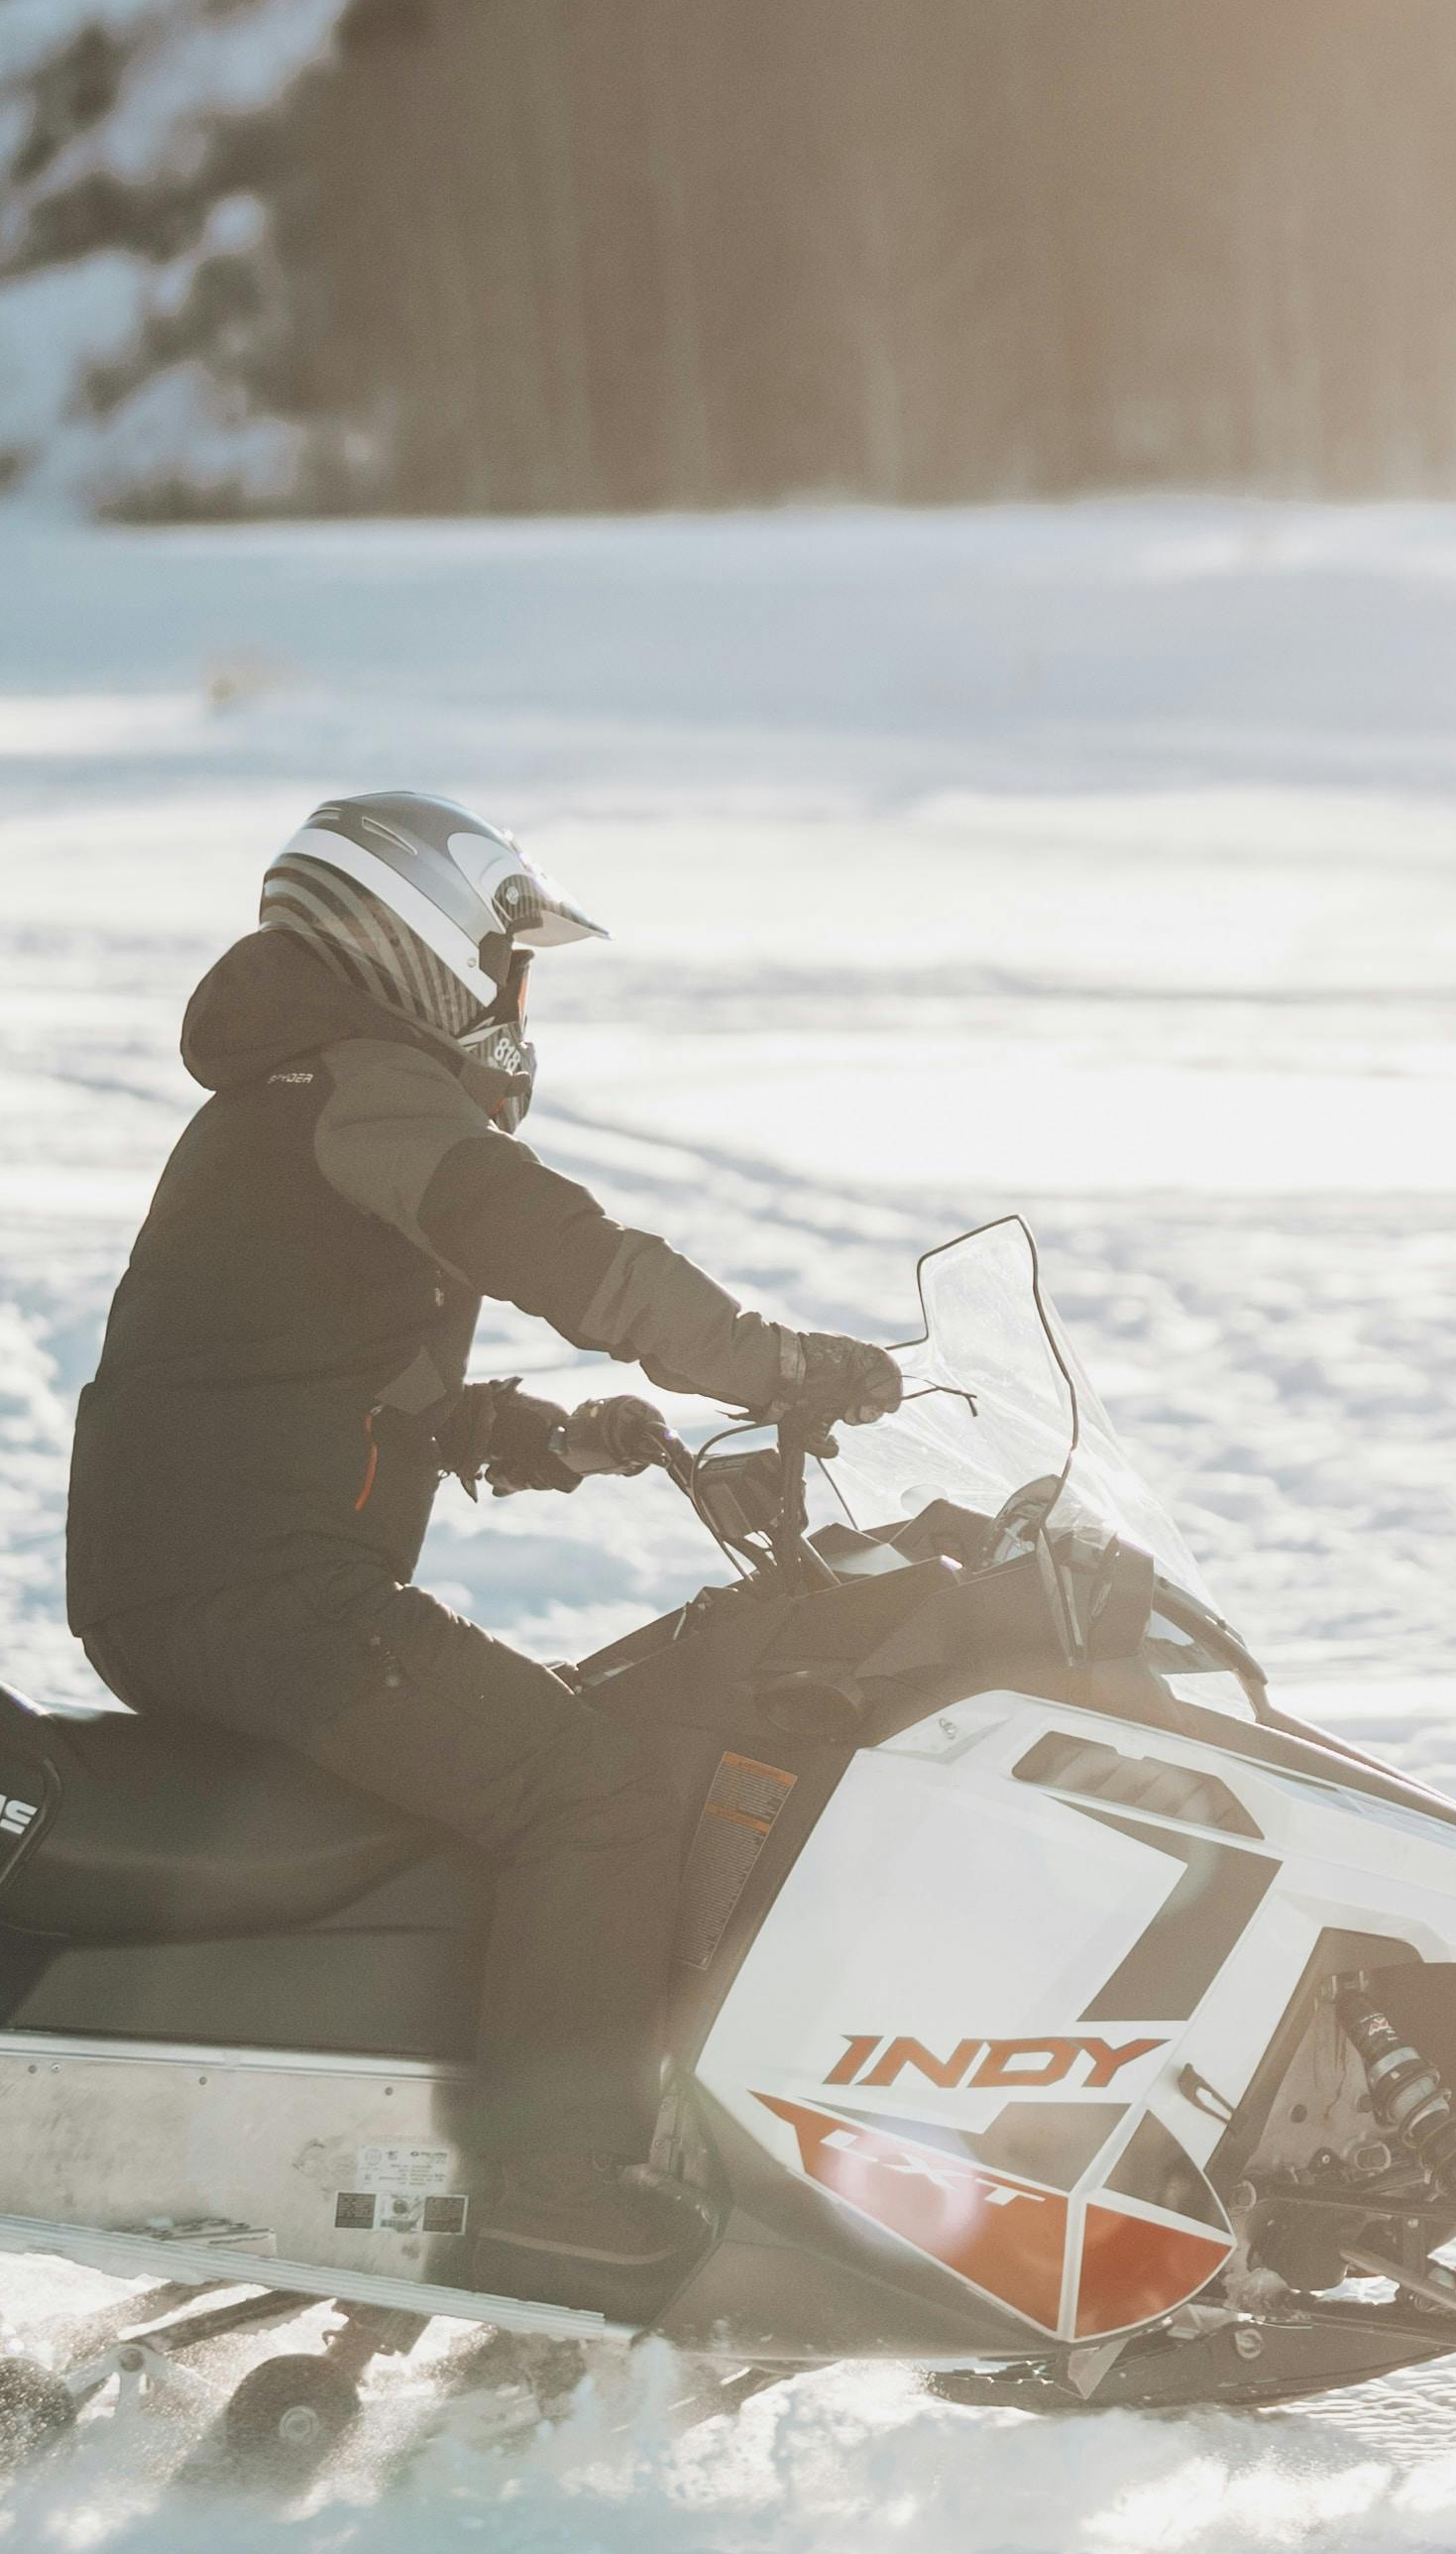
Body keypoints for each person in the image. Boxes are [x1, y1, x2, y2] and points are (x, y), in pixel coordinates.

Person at [61, 792, 904, 2308]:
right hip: (260, 1594)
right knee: (590, 1786)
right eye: (510, 968)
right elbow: (565, 1253)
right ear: (423, 947)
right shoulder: (367, 1092)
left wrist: (546, 1438)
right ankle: (559, 2185)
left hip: (214, 1573)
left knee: (548, 1749)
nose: (520, 1009)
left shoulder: (295, 1094)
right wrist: (770, 1364)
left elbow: (305, 1374)